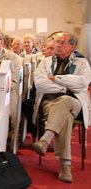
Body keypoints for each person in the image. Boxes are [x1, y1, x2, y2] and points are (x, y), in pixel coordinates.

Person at [32, 32, 91, 183]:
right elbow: (40, 84)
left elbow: (83, 83)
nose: (57, 45)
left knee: (65, 102)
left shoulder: (82, 63)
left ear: (72, 46)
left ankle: (46, 139)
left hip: (75, 102)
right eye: (57, 42)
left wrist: (56, 79)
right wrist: (66, 87)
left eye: (62, 42)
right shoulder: (45, 62)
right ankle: (65, 165)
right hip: (49, 103)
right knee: (65, 115)